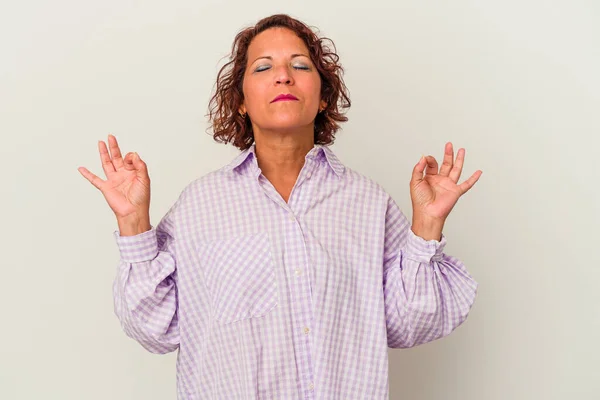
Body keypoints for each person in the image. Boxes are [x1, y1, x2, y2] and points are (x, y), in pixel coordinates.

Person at [78, 13, 482, 400]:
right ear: (240, 101)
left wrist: (427, 224)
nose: (283, 75)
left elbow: (409, 325)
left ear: (323, 97)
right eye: (263, 67)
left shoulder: (368, 203)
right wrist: (133, 222)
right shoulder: (199, 206)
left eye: (301, 66)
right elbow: (154, 330)